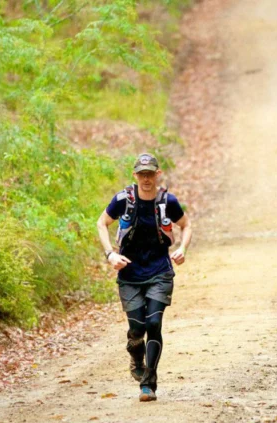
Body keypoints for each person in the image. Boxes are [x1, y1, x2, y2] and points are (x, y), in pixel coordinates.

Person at [96, 153, 193, 402]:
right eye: (142, 174)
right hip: (129, 273)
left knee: (154, 324)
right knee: (137, 328)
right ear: (135, 175)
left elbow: (186, 224)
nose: (147, 179)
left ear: (157, 174)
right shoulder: (123, 200)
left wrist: (182, 248)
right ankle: (136, 355)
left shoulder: (167, 201)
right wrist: (110, 255)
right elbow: (101, 223)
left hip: (160, 271)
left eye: (150, 174)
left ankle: (148, 383)